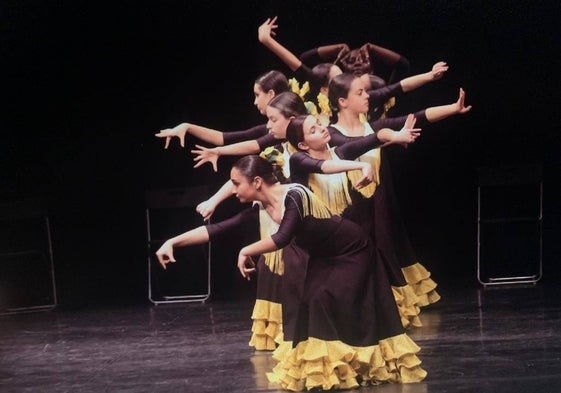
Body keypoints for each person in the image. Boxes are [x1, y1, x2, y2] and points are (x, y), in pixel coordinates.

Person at [156, 155, 427, 391]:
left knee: (321, 299)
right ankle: (333, 371)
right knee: (312, 301)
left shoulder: (294, 194)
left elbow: (284, 237)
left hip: (352, 251)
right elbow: (216, 229)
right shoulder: (261, 208)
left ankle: (359, 366)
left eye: (237, 183)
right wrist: (173, 241)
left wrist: (245, 251)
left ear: (258, 182)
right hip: (326, 256)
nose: (233, 189)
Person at [326, 72, 472, 311]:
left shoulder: (373, 127)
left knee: (382, 254)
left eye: (366, 91)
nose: (367, 96)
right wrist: (388, 138)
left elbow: (418, 117)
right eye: (360, 92)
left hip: (376, 208)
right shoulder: (331, 134)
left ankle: (382, 307)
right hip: (349, 212)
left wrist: (452, 108)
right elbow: (349, 145)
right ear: (342, 101)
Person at [193, 91, 308, 352]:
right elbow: (243, 167)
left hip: (305, 223)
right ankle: (285, 332)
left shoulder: (308, 145)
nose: (268, 125)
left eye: (272, 119)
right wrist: (213, 199)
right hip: (277, 222)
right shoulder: (274, 150)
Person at [285, 113, 423, 327]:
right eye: (313, 130)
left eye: (319, 124)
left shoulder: (340, 153)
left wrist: (396, 135)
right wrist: (360, 166)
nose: (322, 128)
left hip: (340, 237)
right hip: (314, 243)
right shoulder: (298, 161)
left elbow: (374, 137)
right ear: (302, 144)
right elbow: (321, 167)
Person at [154, 70, 289, 149]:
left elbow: (255, 145)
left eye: (257, 95)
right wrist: (187, 127)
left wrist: (218, 152)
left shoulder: (289, 125)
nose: (254, 102)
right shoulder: (268, 129)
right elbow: (223, 138)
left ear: (271, 94)